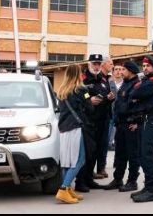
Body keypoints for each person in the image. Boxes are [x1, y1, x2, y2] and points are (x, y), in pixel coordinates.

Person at [129, 56, 153, 203]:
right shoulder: (146, 81)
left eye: (147, 66)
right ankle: (147, 186)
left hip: (151, 120)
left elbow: (135, 93)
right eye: (143, 66)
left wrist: (137, 91)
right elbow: (134, 94)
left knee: (148, 154)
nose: (144, 68)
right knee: (142, 154)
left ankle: (152, 190)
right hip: (144, 120)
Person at [55, 64, 94, 204]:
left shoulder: (61, 90)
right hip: (76, 128)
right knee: (79, 159)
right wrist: (89, 96)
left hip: (64, 129)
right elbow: (90, 107)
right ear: (78, 74)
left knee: (67, 161)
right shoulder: (82, 89)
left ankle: (68, 189)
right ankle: (63, 188)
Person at [103, 61, 141, 193]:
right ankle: (117, 179)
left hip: (131, 124)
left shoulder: (137, 85)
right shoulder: (126, 83)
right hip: (121, 123)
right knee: (120, 154)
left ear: (130, 71)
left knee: (132, 154)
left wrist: (137, 121)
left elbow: (138, 106)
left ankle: (132, 181)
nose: (121, 72)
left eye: (123, 70)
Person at [76, 54, 112, 191]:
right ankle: (81, 181)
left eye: (98, 64)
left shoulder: (103, 79)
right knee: (87, 152)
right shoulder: (83, 79)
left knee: (96, 151)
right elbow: (78, 95)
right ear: (89, 64)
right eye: (94, 64)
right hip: (88, 121)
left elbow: (106, 95)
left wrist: (110, 98)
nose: (96, 66)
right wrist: (88, 100)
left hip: (102, 121)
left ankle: (89, 179)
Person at [108, 64, 126, 150]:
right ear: (113, 72)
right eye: (116, 69)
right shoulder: (109, 83)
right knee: (110, 127)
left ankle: (115, 143)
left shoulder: (126, 84)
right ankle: (109, 143)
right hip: (110, 110)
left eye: (120, 69)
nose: (118, 71)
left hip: (121, 111)